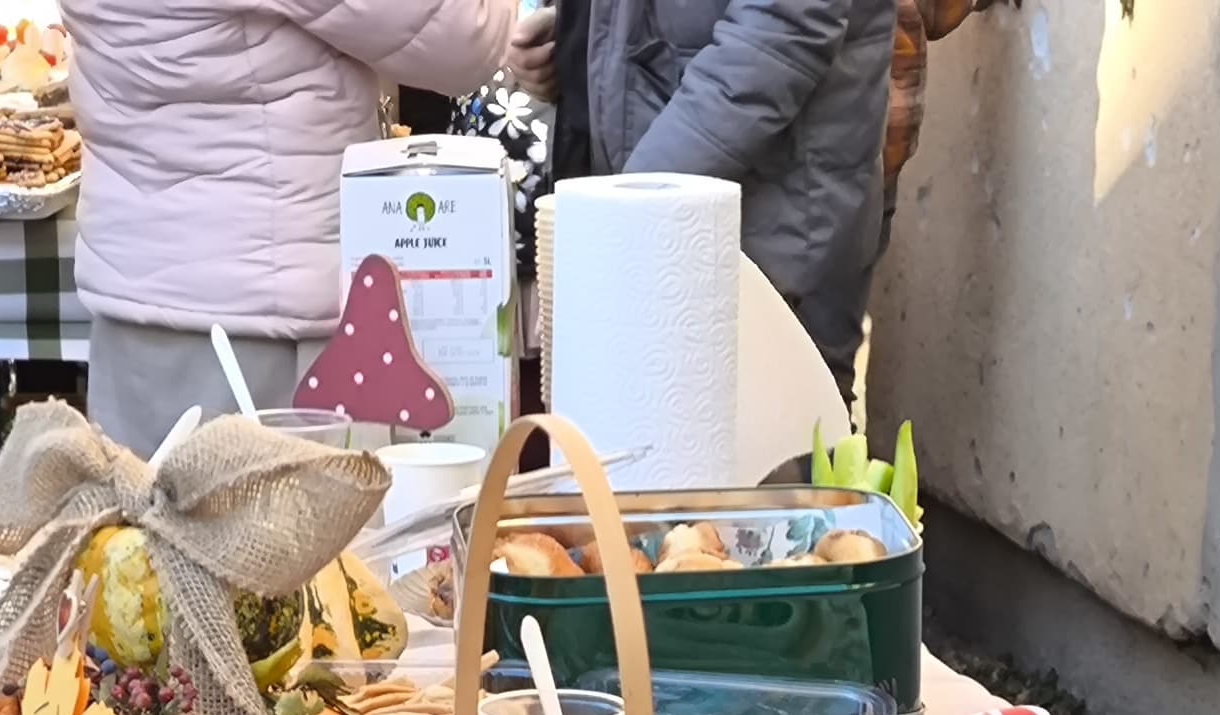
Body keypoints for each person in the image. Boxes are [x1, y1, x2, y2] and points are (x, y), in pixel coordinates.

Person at [63, 0, 537, 452]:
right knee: (276, 526)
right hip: (256, 319)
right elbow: (463, 37)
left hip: (132, 302)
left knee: (136, 528)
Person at [574, 0, 896, 379]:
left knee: (781, 422)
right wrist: (582, 39)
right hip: (673, 218)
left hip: (770, 228)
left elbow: (784, 26)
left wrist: (633, 202)